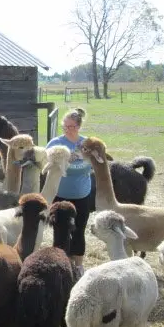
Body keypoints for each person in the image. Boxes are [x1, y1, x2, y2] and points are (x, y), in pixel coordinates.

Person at [45, 107, 92, 279]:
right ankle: (61, 265)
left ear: (78, 126)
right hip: (60, 195)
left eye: (71, 126)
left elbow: (95, 164)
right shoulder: (56, 143)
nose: (67, 129)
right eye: (65, 126)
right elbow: (46, 162)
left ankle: (78, 266)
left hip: (82, 195)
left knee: (79, 231)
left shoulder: (87, 144)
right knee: (60, 231)